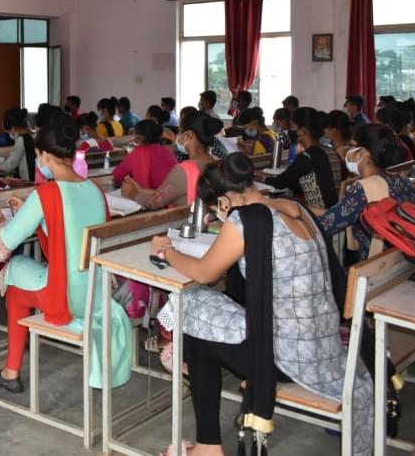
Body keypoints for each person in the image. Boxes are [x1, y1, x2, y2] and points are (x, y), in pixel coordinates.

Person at [149, 154, 373, 456]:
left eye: (215, 209)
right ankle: (204, 428)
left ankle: (208, 446)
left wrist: (167, 251)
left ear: (225, 201)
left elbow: (204, 273)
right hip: (323, 348)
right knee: (201, 324)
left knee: (188, 307)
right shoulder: (296, 208)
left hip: (284, 359)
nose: (217, 215)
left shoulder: (246, 220)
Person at [0, 117, 132, 393]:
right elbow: (70, 230)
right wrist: (30, 209)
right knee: (22, 272)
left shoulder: (47, 193)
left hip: (67, 296)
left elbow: (1, 246)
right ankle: (11, 367)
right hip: (96, 289)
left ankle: (11, 370)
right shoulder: (95, 190)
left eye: (39, 156)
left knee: (15, 270)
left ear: (44, 155)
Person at [315, 124, 415, 262]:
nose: (347, 150)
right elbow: (344, 213)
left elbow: (323, 227)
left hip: (377, 269)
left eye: (351, 146)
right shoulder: (400, 179)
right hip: (405, 260)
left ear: (363, 152)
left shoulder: (364, 188)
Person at [122, 111, 220, 208]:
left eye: (180, 132)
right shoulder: (216, 162)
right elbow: (174, 191)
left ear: (188, 135)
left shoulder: (184, 170)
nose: (177, 136)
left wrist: (133, 194)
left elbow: (154, 202)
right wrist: (141, 190)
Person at [262, 108, 340, 210]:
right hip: (333, 213)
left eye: (292, 126)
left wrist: (260, 178)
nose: (290, 131)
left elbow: (280, 182)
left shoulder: (308, 156)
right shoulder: (331, 151)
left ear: (302, 130)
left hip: (319, 216)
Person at [113, 119, 177, 190]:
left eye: (135, 135)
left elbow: (117, 176)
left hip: (152, 198)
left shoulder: (137, 153)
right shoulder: (168, 152)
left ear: (140, 138)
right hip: (171, 197)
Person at [0, 108, 36, 182]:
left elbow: (9, 166)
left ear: (13, 128)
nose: (10, 134)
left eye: (8, 132)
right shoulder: (33, 135)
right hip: (35, 177)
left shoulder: (21, 140)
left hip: (28, 181)